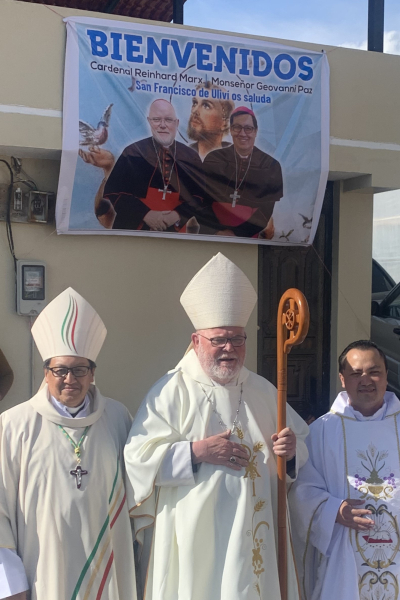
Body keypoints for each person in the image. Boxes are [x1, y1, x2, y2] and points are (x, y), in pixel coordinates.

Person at [125, 252, 309, 600]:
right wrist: (196, 452)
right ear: (196, 341)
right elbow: (137, 459)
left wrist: (291, 452)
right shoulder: (170, 391)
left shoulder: (262, 390)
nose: (229, 349)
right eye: (219, 340)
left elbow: (297, 443)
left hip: (256, 531)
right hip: (196, 537)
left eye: (238, 339)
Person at [0, 288, 137, 600]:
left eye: (79, 370)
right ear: (46, 373)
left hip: (108, 567)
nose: (70, 379)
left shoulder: (118, 418)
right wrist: (10, 584)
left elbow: (141, 480)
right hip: (42, 568)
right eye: (60, 370)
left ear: (92, 374)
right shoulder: (13, 425)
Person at [289, 340, 400, 600]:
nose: (366, 380)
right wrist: (333, 510)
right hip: (343, 561)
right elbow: (301, 491)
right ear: (342, 379)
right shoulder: (321, 431)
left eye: (374, 372)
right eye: (356, 373)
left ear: (386, 376)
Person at [80, 98, 205, 232]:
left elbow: (200, 197)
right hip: (133, 234)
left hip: (176, 236)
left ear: (177, 123)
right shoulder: (132, 152)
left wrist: (175, 215)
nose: (163, 125)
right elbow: (115, 192)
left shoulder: (191, 158)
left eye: (168, 120)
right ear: (149, 121)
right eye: (156, 119)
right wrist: (145, 214)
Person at [203, 106, 283, 239]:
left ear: (255, 131)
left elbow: (265, 212)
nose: (242, 133)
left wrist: (237, 234)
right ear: (230, 130)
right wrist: (216, 231)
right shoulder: (214, 159)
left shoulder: (271, 165)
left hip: (249, 236)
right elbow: (203, 200)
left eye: (248, 128)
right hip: (213, 234)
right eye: (237, 127)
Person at [187, 81, 234, 161]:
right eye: (195, 103)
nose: (194, 111)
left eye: (206, 105)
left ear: (225, 123)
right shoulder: (181, 156)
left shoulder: (236, 160)